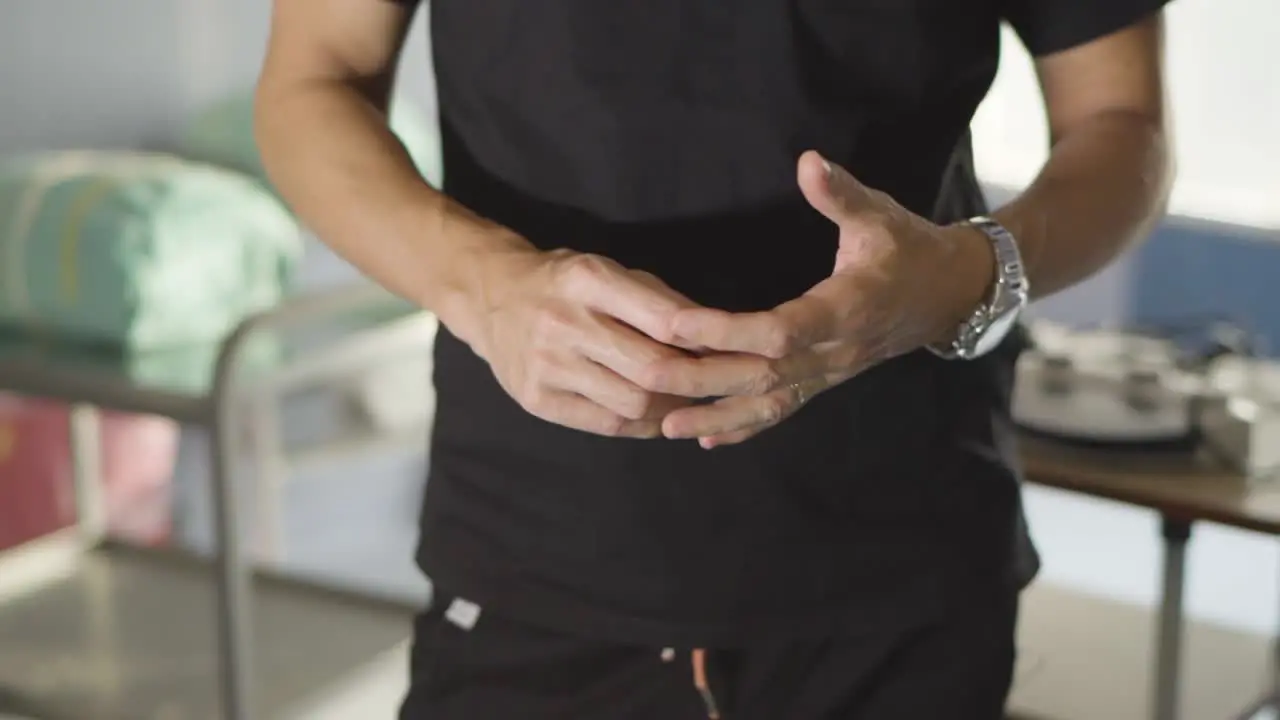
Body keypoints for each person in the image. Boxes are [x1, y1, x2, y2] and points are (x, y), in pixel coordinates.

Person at [255, 0, 1173, 716]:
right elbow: (314, 79)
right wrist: (483, 285)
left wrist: (963, 275)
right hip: (539, 550)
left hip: (895, 556)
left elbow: (1122, 117)